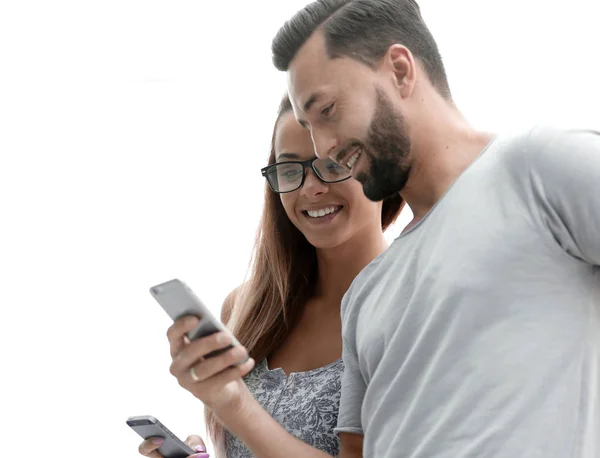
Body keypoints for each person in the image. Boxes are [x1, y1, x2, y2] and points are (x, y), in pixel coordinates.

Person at [268, 0, 600, 456]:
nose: (323, 148)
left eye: (327, 110)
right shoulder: (366, 296)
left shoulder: (537, 168)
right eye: (308, 127)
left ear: (401, 71)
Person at [137, 94, 404, 458]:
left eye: (333, 163)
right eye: (291, 169)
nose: (311, 187)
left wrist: (237, 406)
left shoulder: (409, 310)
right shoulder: (247, 307)